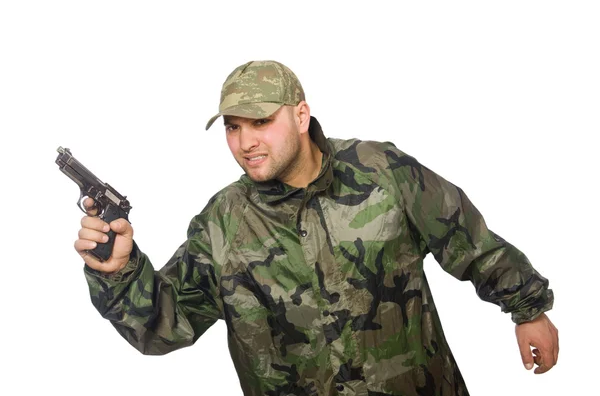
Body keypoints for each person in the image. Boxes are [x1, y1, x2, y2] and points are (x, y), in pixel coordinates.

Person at [75, 60, 558, 396]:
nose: (245, 142)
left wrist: (528, 309)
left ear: (301, 115)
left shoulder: (381, 170)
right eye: (232, 126)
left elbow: (468, 240)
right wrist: (119, 274)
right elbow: (164, 326)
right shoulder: (221, 223)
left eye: (260, 121)